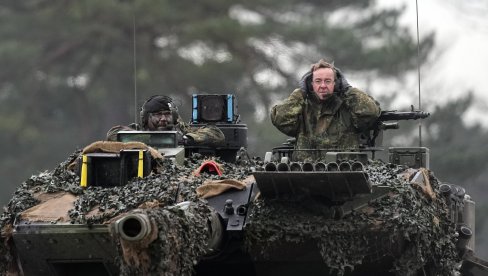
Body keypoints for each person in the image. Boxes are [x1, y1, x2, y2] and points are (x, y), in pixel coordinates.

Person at [270, 59, 380, 160]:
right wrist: (300, 93)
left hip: (344, 171)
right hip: (305, 171)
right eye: (318, 81)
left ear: (336, 84)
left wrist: (348, 90)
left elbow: (371, 112)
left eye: (327, 81)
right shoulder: (302, 108)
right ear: (311, 84)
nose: (323, 85)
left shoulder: (348, 107)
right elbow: (280, 119)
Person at [107, 95, 225, 147]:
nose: (163, 119)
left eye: (167, 114)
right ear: (146, 117)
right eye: (158, 115)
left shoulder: (182, 131)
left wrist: (185, 140)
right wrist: (146, 139)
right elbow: (112, 134)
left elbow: (216, 133)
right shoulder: (136, 130)